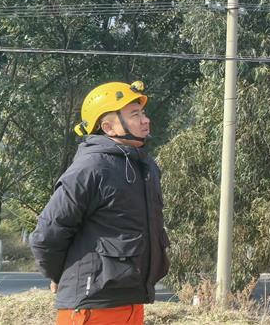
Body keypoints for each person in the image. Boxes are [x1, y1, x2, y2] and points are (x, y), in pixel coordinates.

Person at [31, 80, 168, 325]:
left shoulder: (144, 167)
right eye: (135, 114)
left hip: (131, 302)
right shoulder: (91, 168)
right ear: (108, 127)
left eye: (143, 113)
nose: (145, 120)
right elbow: (47, 234)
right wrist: (58, 274)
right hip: (92, 306)